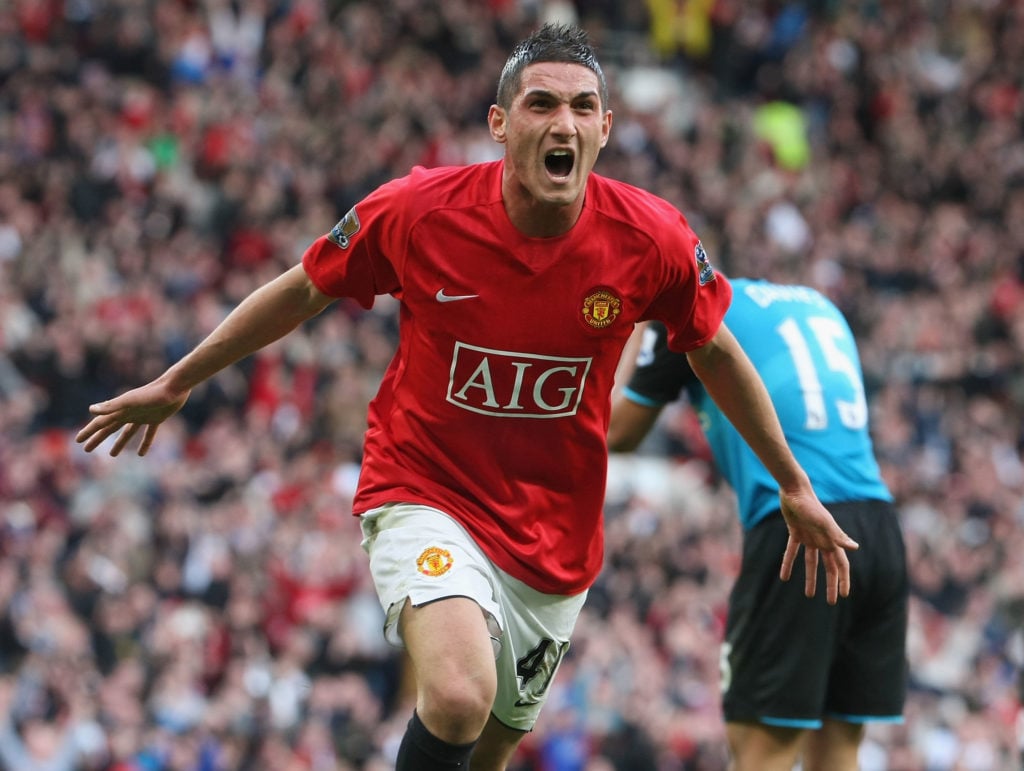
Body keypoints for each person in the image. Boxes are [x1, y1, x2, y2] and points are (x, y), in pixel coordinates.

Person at [76, 24, 859, 771]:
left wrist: (792, 481)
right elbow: (302, 290)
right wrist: (179, 379)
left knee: (483, 750)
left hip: (553, 542)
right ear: (499, 122)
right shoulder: (420, 211)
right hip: (425, 490)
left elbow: (715, 349)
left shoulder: (650, 239)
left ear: (606, 128)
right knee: (455, 694)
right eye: (541, 104)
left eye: (583, 107)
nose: (564, 122)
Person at [609, 277, 908, 771]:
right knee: (837, 750)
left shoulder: (684, 306)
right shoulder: (816, 302)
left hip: (800, 528)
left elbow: (619, 432)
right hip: (878, 529)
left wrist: (640, 331)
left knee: (758, 753)